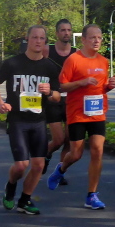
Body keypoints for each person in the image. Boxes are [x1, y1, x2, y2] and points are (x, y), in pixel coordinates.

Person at [0, 25, 61, 215]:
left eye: (41, 38)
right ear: (27, 39)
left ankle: (24, 200)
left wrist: (50, 92)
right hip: (17, 120)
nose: (38, 41)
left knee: (38, 164)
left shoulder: (49, 67)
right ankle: (11, 185)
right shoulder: (13, 63)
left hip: (38, 121)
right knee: (21, 165)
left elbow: (57, 96)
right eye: (34, 37)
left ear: (45, 41)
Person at [47, 24, 115, 209]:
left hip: (97, 113)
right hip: (77, 113)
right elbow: (63, 86)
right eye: (93, 38)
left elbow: (101, 88)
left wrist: (109, 86)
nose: (96, 41)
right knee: (76, 154)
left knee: (97, 150)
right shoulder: (74, 60)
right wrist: (82, 82)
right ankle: (61, 169)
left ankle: (91, 195)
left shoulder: (103, 61)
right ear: (83, 40)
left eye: (99, 38)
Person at [41, 19, 78, 183]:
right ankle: (46, 154)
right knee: (58, 139)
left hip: (71, 101)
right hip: (53, 99)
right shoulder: (47, 50)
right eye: (63, 30)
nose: (66, 33)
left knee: (69, 141)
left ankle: (60, 172)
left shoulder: (76, 53)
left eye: (69, 30)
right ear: (57, 33)